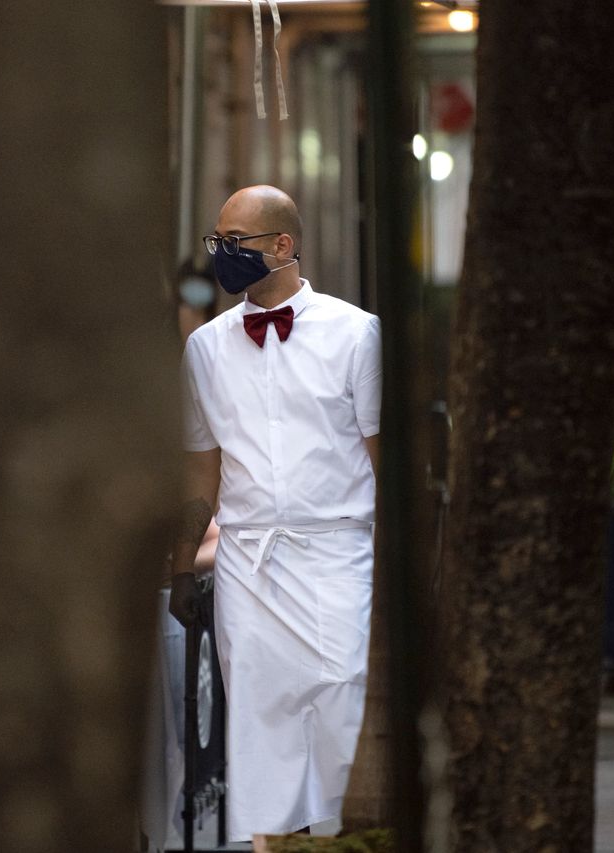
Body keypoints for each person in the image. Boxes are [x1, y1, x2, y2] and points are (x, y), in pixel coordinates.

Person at [168, 185, 381, 849]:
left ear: (282, 246)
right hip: (248, 563)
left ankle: (342, 838)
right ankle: (275, 846)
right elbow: (202, 470)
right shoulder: (204, 348)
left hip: (340, 549)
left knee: (343, 693)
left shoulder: (356, 332)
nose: (222, 254)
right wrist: (181, 566)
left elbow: (383, 456)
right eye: (217, 241)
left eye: (236, 243)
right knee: (262, 724)